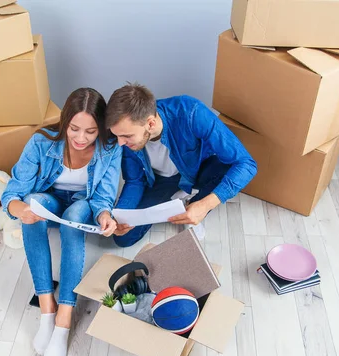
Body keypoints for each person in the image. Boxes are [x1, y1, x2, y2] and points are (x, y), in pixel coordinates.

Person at [2, 88, 121, 356]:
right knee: (33, 203)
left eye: (91, 131)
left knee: (76, 213)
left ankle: (64, 318)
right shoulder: (41, 143)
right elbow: (13, 192)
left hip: (83, 205)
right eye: (74, 129)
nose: (81, 139)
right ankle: (47, 309)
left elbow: (103, 196)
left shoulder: (110, 148)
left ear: (101, 128)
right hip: (51, 201)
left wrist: (105, 214)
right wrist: (22, 211)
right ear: (65, 121)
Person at [106, 83, 257, 247]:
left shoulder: (190, 112)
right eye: (118, 136)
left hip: (197, 169)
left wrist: (205, 205)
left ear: (150, 124)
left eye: (126, 136)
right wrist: (121, 215)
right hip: (161, 181)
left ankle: (193, 206)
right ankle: (178, 198)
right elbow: (134, 181)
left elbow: (246, 164)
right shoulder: (127, 139)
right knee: (123, 238)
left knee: (228, 169)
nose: (120, 143)